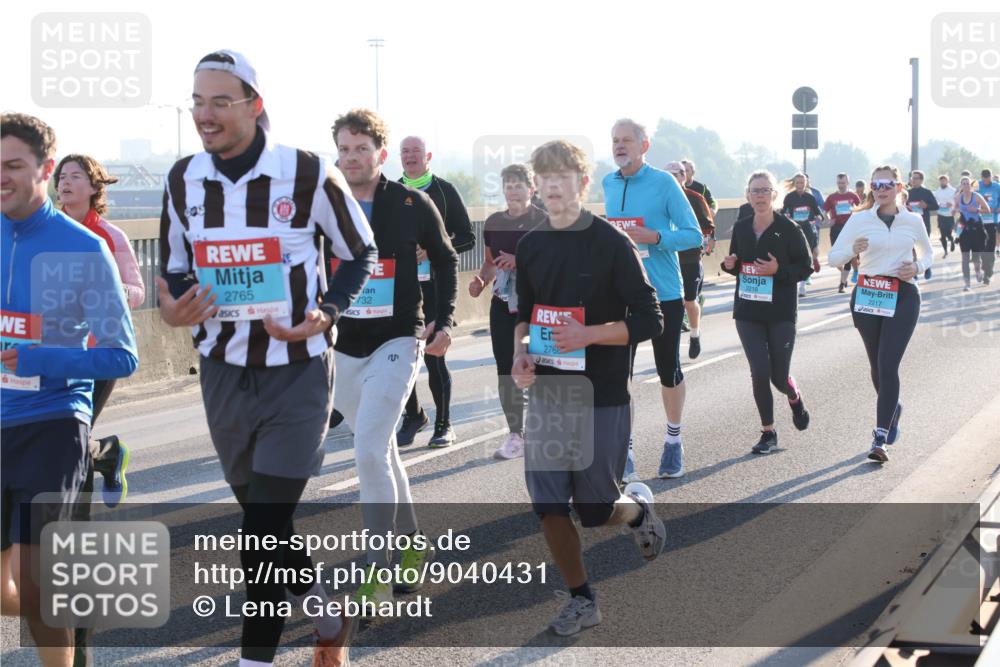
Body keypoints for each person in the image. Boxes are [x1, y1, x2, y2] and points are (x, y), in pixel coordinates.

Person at [157, 50, 373, 666]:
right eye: (198, 101)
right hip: (223, 373)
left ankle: (256, 660)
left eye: (220, 101)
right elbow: (173, 270)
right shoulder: (182, 179)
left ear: (256, 105)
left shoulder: (307, 173)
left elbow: (359, 253)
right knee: (263, 520)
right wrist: (173, 312)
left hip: (298, 373)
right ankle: (328, 607)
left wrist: (327, 311)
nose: (205, 114)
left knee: (260, 532)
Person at [512, 139, 666, 637]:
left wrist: (590, 335)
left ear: (581, 183)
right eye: (546, 178)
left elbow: (651, 318)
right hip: (550, 396)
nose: (553, 186)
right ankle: (582, 599)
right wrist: (521, 354)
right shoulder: (532, 245)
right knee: (549, 504)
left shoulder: (610, 244)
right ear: (538, 186)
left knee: (596, 510)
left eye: (564, 177)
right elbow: (525, 317)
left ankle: (636, 509)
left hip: (601, 392)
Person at [2, 112, 139, 667]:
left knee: (37, 590)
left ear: (45, 168)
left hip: (52, 423)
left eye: (13, 165)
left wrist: (41, 359)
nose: (1, 176)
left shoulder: (83, 249)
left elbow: (121, 354)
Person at [331, 108, 457, 610]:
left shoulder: (410, 201)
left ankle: (376, 569)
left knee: (367, 451)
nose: (353, 157)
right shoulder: (325, 205)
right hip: (342, 346)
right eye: (344, 149)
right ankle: (412, 544)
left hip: (398, 340)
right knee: (379, 451)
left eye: (362, 148)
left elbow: (445, 258)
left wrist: (443, 320)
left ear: (380, 154)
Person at [603, 120, 702, 480]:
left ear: (644, 145)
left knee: (667, 369)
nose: (619, 145)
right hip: (620, 295)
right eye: (615, 140)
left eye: (627, 140)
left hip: (664, 292)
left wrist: (653, 236)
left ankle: (673, 441)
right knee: (618, 376)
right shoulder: (608, 183)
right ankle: (624, 450)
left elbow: (692, 235)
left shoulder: (664, 184)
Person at [55, 154, 144, 511]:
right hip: (55, 352)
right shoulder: (46, 232)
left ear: (94, 187)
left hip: (100, 352)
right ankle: (107, 453)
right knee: (59, 437)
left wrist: (110, 291)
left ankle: (76, 526)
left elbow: (137, 291)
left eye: (76, 175)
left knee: (71, 437)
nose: (65, 181)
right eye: (61, 175)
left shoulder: (110, 236)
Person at [829, 165, 933, 462]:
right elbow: (834, 257)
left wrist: (917, 267)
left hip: (902, 295)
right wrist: (852, 249)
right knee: (877, 366)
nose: (881, 188)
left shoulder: (912, 220)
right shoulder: (860, 218)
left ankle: (879, 437)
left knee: (888, 365)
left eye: (887, 183)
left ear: (899, 187)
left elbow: (928, 253)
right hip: (868, 296)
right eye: (876, 184)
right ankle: (893, 409)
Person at [721, 170, 812, 454]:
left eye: (765, 190)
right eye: (754, 191)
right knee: (759, 370)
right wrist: (729, 264)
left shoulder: (789, 229)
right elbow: (737, 265)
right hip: (748, 310)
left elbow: (806, 267)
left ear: (774, 195)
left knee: (778, 377)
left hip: (780, 311)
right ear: (747, 196)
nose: (759, 196)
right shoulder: (741, 227)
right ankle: (768, 432)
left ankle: (794, 396)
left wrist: (778, 271)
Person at [397, 136, 475, 448]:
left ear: (427, 156)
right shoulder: (391, 192)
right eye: (405, 152)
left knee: (433, 357)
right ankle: (413, 414)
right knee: (399, 357)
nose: (410, 157)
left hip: (436, 287)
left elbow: (468, 237)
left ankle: (444, 424)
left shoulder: (444, 190)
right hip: (402, 288)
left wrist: (432, 250)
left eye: (416, 152)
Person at [470, 163, 546, 460]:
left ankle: (542, 430)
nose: (513, 191)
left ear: (532, 188)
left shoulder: (544, 221)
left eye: (519, 185)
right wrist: (480, 280)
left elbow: (554, 265)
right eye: (509, 185)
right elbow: (490, 262)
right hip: (502, 306)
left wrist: (521, 261)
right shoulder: (493, 222)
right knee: (506, 371)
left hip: (536, 308)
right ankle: (516, 435)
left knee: (538, 368)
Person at [665, 160, 715, 358]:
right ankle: (669, 346)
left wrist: (688, 235)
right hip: (665, 257)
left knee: (689, 300)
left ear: (683, 177)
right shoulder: (657, 198)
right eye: (666, 175)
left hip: (689, 258)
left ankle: (695, 334)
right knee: (668, 303)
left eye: (675, 175)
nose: (671, 179)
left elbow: (708, 226)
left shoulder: (694, 198)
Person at [782, 173, 822, 296]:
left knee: (812, 252)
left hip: (808, 228)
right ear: (795, 184)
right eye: (798, 183)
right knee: (798, 255)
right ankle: (801, 282)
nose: (800, 185)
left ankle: (803, 284)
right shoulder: (789, 197)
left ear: (806, 183)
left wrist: (819, 218)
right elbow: (783, 212)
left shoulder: (810, 198)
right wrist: (785, 217)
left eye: (802, 183)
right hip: (795, 230)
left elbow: (817, 212)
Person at [823, 173, 862, 293]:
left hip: (850, 228)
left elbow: (861, 210)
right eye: (839, 183)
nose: (841, 185)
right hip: (836, 228)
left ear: (848, 183)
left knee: (848, 256)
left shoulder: (853, 196)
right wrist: (829, 220)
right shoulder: (831, 197)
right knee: (836, 257)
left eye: (843, 183)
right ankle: (846, 274)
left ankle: (842, 283)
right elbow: (824, 212)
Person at [954, 175, 991, 291]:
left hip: (976, 229)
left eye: (967, 183)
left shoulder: (977, 197)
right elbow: (955, 209)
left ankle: (978, 271)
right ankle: (967, 284)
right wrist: (954, 211)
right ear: (961, 186)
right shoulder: (958, 197)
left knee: (975, 257)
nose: (965, 186)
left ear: (971, 185)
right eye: (963, 184)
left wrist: (977, 210)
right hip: (964, 229)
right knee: (964, 257)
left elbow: (988, 210)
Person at [906, 170, 939, 279]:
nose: (913, 180)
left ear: (921, 180)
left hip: (923, 223)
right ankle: (913, 270)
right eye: (912, 178)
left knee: (924, 247)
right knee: (911, 247)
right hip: (909, 224)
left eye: (915, 178)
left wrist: (926, 206)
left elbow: (936, 206)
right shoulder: (907, 193)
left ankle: (927, 266)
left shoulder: (926, 192)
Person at [978, 169, 1000, 283]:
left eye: (989, 179)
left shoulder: (997, 186)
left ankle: (988, 270)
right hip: (980, 221)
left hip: (993, 220)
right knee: (982, 248)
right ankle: (986, 269)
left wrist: (998, 209)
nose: (986, 182)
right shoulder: (977, 186)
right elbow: (970, 198)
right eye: (984, 180)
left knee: (990, 247)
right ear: (981, 178)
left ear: (991, 177)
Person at [934, 174, 958, 257]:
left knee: (948, 233)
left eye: (944, 180)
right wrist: (938, 204)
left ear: (947, 181)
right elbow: (935, 201)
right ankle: (945, 251)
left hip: (949, 215)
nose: (942, 182)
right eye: (941, 181)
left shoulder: (953, 190)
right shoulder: (937, 191)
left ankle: (951, 241)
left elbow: (956, 201)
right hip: (941, 215)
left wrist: (952, 204)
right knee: (942, 235)